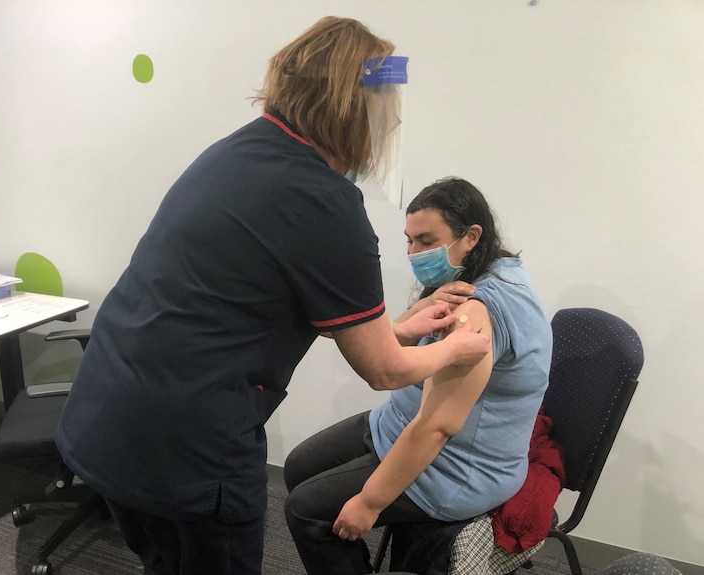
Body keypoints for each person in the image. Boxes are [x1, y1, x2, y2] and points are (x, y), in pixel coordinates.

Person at [54, 18, 490, 575]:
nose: (388, 127)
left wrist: (398, 328)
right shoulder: (325, 201)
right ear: (352, 110)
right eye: (385, 113)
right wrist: (454, 351)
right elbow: (383, 371)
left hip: (105, 417)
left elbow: (265, 298)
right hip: (189, 445)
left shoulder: (235, 153)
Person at [283, 176, 553, 574]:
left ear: (472, 236)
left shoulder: (477, 310)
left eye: (426, 241)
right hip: (396, 423)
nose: (414, 253)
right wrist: (409, 321)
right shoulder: (474, 275)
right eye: (409, 240)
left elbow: (437, 426)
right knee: (297, 468)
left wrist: (370, 503)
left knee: (305, 511)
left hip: (454, 466)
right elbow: (390, 356)